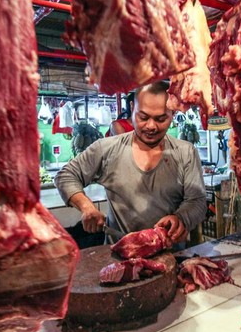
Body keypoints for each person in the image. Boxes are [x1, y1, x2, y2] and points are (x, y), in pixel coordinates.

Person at [54, 81, 207, 245]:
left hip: (170, 256)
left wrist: (180, 218)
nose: (151, 126)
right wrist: (86, 207)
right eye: (143, 117)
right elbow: (65, 176)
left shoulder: (186, 152)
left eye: (161, 119)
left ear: (172, 113)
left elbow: (197, 201)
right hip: (121, 256)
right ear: (133, 107)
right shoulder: (107, 148)